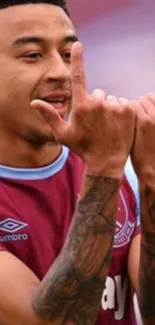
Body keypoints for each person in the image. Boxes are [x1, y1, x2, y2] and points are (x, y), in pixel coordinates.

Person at [0, 1, 139, 325]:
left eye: (67, 54)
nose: (61, 73)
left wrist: (151, 178)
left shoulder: (125, 171)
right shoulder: (107, 166)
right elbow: (56, 321)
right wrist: (104, 172)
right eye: (32, 55)